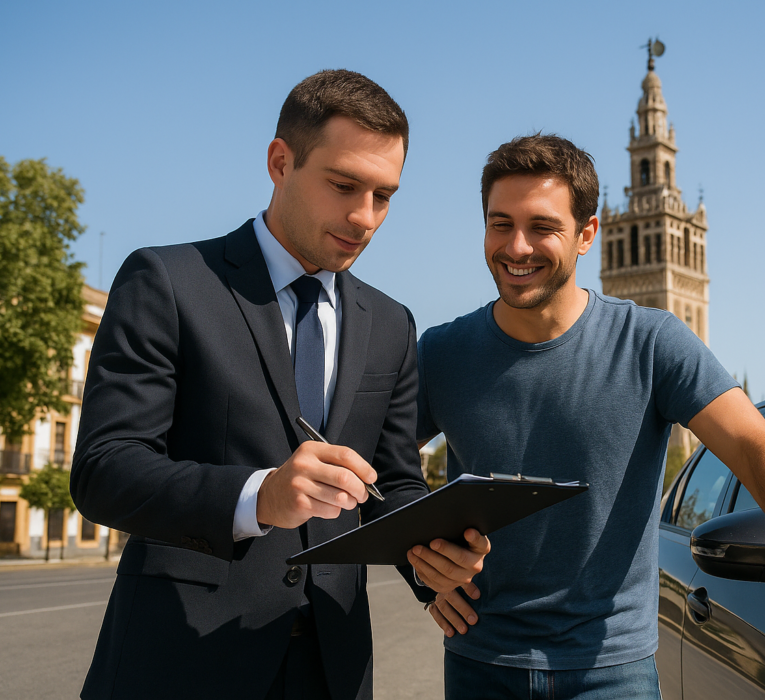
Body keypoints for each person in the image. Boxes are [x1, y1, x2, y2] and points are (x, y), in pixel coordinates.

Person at [413, 134, 765, 699]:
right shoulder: (441, 353)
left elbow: (755, 447)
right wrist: (422, 574)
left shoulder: (651, 342)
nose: (517, 247)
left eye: (542, 227)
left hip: (610, 674)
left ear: (588, 234)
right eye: (500, 224)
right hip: (479, 665)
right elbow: (372, 475)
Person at [70, 69, 488, 700]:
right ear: (280, 162)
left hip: (333, 668)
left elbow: (392, 483)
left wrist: (434, 549)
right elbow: (106, 470)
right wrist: (257, 495)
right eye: (344, 185)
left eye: (384, 195)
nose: (364, 216)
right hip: (180, 663)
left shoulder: (392, 325)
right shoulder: (167, 281)